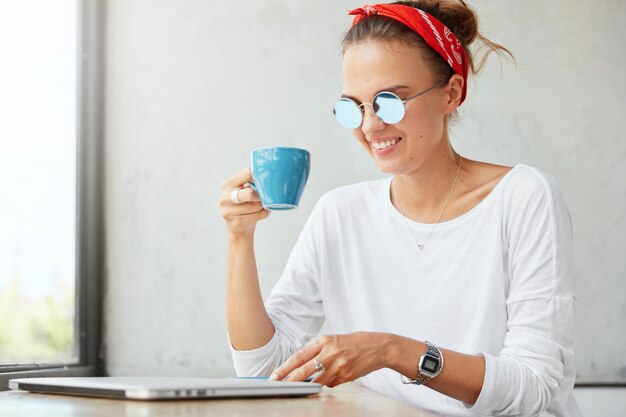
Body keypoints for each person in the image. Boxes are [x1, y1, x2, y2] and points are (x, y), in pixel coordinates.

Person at [219, 1, 582, 416]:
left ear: (452, 93)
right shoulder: (340, 214)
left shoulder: (524, 197)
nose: (370, 126)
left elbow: (537, 384)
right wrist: (238, 237)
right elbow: (263, 367)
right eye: (353, 106)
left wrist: (392, 351)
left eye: (390, 101)